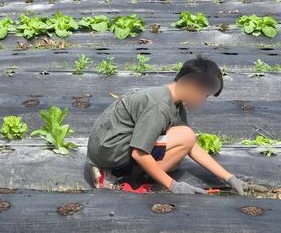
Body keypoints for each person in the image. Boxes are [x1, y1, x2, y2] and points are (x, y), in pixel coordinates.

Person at [88, 57, 247, 195]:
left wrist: (229, 178)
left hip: (113, 149)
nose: (203, 101)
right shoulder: (160, 105)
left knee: (180, 151)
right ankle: (115, 176)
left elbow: (191, 146)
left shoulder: (175, 103)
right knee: (184, 137)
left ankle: (131, 173)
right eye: (204, 95)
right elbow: (139, 153)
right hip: (109, 153)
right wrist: (174, 186)